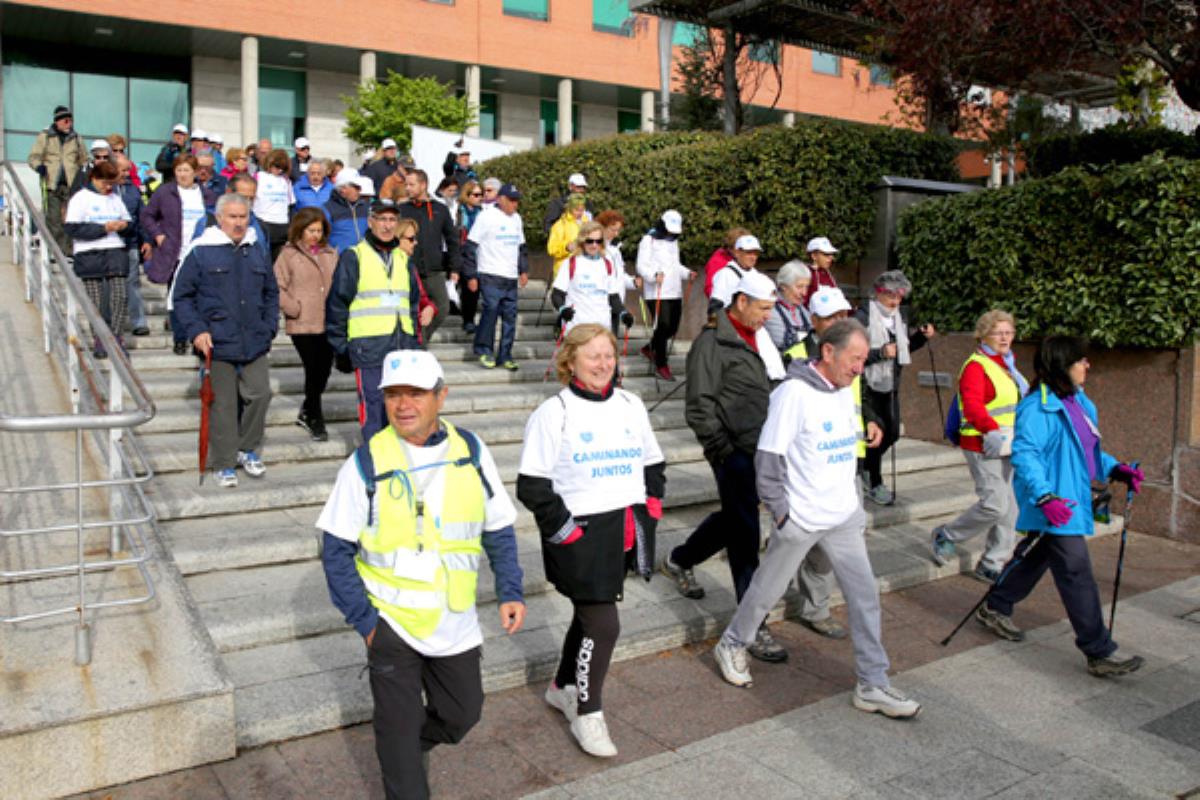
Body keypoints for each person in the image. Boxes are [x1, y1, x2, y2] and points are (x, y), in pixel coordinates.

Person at [317, 349, 525, 800]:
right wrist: (367, 624)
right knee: (399, 741)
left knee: (462, 714)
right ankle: (401, 759)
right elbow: (335, 548)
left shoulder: (470, 450)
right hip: (391, 625)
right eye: (393, 394)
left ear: (441, 396)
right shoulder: (366, 462)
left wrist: (510, 589)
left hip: (454, 620)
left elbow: (498, 527)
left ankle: (404, 748)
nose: (403, 404)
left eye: (415, 393)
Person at [711, 319, 922, 719]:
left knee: (865, 597)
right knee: (766, 590)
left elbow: (839, 441)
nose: (861, 367)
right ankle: (734, 642)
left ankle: (872, 684)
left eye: (863, 359)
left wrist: (868, 430)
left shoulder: (844, 390)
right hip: (802, 517)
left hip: (843, 515)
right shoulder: (792, 394)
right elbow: (769, 459)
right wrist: (783, 514)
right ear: (828, 352)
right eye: (855, 358)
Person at [517, 323, 664, 757]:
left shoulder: (631, 404)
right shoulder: (554, 412)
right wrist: (569, 531)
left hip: (623, 529)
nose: (603, 364)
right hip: (578, 536)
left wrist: (651, 506)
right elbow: (532, 485)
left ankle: (563, 686)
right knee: (603, 624)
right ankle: (589, 713)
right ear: (571, 361)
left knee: (588, 618)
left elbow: (653, 463)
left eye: (609, 355)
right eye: (592, 356)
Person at [975, 335, 1145, 678]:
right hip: (1053, 503)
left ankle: (996, 605)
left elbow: (1086, 453)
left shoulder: (1079, 402)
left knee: (1035, 555)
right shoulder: (1037, 407)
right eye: (1080, 360)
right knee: (1076, 571)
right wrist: (1044, 497)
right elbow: (1026, 455)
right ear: (1061, 366)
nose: (1087, 365)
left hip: (1068, 501)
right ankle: (1098, 650)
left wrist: (1115, 468)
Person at [661, 272, 791, 662]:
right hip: (733, 451)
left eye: (771, 309)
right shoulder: (711, 344)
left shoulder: (761, 338)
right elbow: (698, 405)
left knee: (737, 518)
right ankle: (753, 625)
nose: (768, 316)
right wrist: (721, 449)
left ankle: (680, 559)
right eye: (763, 308)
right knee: (746, 534)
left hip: (763, 447)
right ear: (740, 302)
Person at [172, 193, 278, 488]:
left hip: (254, 339)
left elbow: (271, 291)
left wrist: (270, 326)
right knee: (223, 405)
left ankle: (247, 448)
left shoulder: (256, 248)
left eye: (243, 216)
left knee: (260, 394)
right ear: (219, 218)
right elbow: (181, 297)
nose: (238, 223)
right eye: (232, 217)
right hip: (216, 342)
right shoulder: (201, 251)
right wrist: (196, 330)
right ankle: (224, 461)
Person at [931, 310, 1028, 582]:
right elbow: (973, 407)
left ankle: (992, 563)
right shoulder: (977, 365)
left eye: (1009, 332)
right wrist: (992, 430)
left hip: (1007, 444)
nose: (1005, 337)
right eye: (999, 333)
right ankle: (946, 534)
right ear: (983, 334)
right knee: (995, 505)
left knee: (1011, 507)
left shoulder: (1006, 364)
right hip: (982, 444)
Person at [327, 202, 435, 442]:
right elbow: (337, 305)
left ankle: (399, 458)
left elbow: (412, 305)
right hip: (368, 347)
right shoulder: (354, 256)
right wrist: (340, 347)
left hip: (401, 348)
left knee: (403, 409)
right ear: (371, 221)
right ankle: (375, 461)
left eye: (392, 220)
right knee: (374, 408)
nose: (387, 225)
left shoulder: (403, 259)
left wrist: (415, 343)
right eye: (382, 219)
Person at [854, 270, 935, 504]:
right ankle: (875, 480)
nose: (895, 301)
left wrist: (921, 337)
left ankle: (867, 468)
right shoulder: (863, 317)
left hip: (890, 384)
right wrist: (879, 353)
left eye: (900, 296)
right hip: (867, 384)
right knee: (876, 433)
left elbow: (903, 350)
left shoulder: (898, 318)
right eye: (890, 295)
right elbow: (852, 353)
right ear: (878, 293)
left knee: (892, 433)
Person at [274, 207, 338, 441]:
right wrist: (293, 307)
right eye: (311, 230)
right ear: (300, 230)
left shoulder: (330, 253)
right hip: (302, 322)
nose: (315, 235)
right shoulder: (288, 254)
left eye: (319, 231)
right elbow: (277, 285)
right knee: (312, 369)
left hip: (328, 321)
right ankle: (315, 417)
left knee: (324, 369)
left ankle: (308, 408)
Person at [64, 159, 131, 358]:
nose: (108, 187)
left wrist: (123, 226)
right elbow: (72, 228)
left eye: (112, 183)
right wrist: (103, 229)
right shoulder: (80, 198)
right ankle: (100, 339)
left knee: (120, 296)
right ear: (94, 178)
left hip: (115, 251)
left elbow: (129, 222)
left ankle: (117, 337)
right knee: (95, 300)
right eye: (104, 183)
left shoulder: (115, 198)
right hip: (89, 252)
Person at [463, 183, 528, 371]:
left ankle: (505, 354)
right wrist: (471, 275)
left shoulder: (517, 219)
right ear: (501, 199)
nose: (514, 205)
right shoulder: (486, 217)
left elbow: (521, 247)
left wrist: (523, 270)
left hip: (510, 276)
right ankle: (484, 350)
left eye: (517, 201)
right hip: (490, 273)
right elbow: (470, 247)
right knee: (490, 311)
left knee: (510, 317)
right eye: (511, 201)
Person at [399, 169, 459, 339]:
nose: (408, 188)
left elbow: (452, 239)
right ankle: (415, 343)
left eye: (411, 184)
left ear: (423, 185)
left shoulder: (440, 209)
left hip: (434, 271)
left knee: (442, 307)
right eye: (406, 185)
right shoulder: (402, 209)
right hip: (408, 270)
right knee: (412, 310)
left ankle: (420, 340)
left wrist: (455, 267)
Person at [141, 154, 218, 287]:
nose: (182, 175)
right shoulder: (164, 192)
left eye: (186, 170)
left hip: (199, 252)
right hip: (174, 252)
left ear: (195, 172)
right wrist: (158, 235)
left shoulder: (207, 195)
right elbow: (147, 215)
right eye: (179, 170)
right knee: (176, 296)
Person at [635, 210, 693, 382]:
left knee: (672, 328)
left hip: (674, 290)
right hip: (656, 292)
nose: (671, 234)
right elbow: (641, 266)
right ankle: (661, 363)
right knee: (663, 325)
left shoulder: (674, 242)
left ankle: (649, 348)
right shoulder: (648, 240)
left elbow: (675, 265)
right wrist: (653, 275)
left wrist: (687, 273)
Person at [550, 221, 631, 337]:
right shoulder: (571, 263)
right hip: (577, 328)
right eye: (589, 241)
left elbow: (613, 297)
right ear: (582, 241)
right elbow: (556, 294)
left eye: (598, 241)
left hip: (602, 329)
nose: (594, 245)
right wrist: (563, 310)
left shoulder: (607, 264)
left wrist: (624, 314)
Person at [28, 105, 87, 256]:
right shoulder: (46, 136)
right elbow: (33, 157)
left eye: (70, 120)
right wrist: (39, 167)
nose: (69, 123)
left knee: (70, 219)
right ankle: (55, 253)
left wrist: (83, 176)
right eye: (65, 120)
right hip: (51, 185)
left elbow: (84, 160)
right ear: (58, 121)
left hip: (71, 186)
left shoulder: (77, 138)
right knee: (53, 219)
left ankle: (67, 252)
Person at [114, 155, 150, 337]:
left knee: (133, 283)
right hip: (110, 246)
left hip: (131, 244)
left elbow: (142, 217)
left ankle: (139, 322)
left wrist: (147, 241)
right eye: (123, 169)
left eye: (128, 170)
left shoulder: (133, 190)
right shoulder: (104, 189)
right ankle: (115, 324)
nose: (126, 173)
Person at [596, 210, 640, 332]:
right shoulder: (594, 248)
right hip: (601, 305)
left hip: (617, 303)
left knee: (612, 342)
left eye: (618, 230)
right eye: (612, 230)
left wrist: (632, 282)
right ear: (602, 227)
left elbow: (619, 275)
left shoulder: (615, 249)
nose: (616, 234)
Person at [763, 259, 813, 361]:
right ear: (783, 286)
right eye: (799, 287)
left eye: (806, 287)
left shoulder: (803, 311)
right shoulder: (771, 311)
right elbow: (781, 343)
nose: (804, 293)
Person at [452, 179, 485, 334]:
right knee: (468, 288)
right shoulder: (458, 211)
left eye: (481, 194)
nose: (480, 198)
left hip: (480, 253)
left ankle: (469, 319)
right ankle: (468, 320)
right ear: (467, 195)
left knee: (474, 289)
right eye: (476, 194)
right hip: (463, 253)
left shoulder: (483, 213)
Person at [254, 148, 295, 261]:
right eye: (276, 166)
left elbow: (290, 205)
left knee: (277, 262)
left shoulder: (286, 181)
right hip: (263, 222)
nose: (279, 170)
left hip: (281, 225)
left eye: (282, 168)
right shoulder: (259, 177)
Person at [709, 234, 764, 311]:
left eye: (756, 253)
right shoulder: (725, 275)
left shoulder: (757, 275)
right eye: (749, 252)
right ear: (737, 253)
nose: (753, 257)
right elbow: (715, 307)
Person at [326, 169, 372, 252]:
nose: (360, 190)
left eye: (360, 187)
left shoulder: (366, 207)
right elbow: (319, 239)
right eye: (356, 187)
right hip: (339, 260)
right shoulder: (327, 209)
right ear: (343, 189)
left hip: (363, 259)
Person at [546, 194, 588, 281]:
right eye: (576, 210)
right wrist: (566, 247)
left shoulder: (587, 223)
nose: (580, 213)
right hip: (563, 271)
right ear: (570, 208)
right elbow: (551, 249)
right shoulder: (560, 225)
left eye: (582, 210)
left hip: (582, 271)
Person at [703, 227, 749, 298]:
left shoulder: (739, 259)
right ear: (731, 247)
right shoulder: (717, 261)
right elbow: (710, 289)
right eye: (740, 248)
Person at [802, 236, 841, 306]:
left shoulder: (828, 273)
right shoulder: (805, 274)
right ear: (814, 256)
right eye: (826, 254)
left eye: (832, 254)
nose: (831, 257)